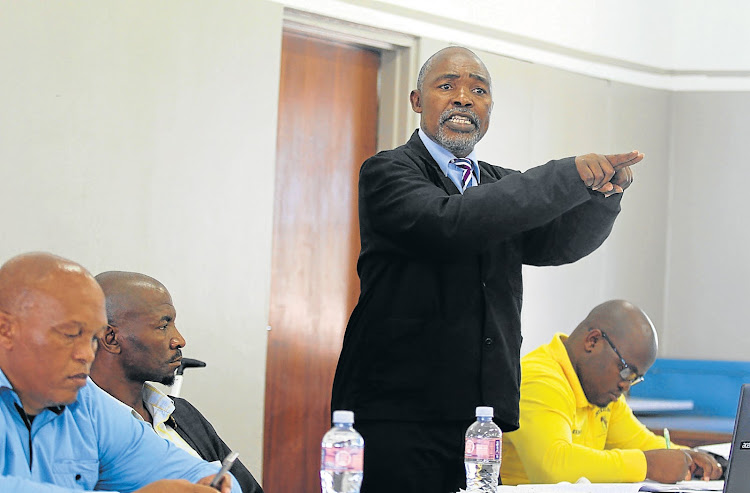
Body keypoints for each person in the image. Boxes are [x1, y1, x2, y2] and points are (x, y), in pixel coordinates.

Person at [330, 45, 645, 493]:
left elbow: (557, 243)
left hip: (480, 418)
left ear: (490, 108)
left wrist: (602, 198)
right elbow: (450, 223)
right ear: (417, 101)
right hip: (399, 412)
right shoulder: (388, 172)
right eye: (447, 86)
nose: (463, 98)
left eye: (478, 90)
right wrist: (564, 174)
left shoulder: (499, 184)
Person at [0, 252, 239, 493]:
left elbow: (189, 471)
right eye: (70, 334)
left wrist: (212, 485)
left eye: (93, 338)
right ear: (6, 330)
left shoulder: (87, 404)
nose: (86, 354)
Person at [501, 300, 723, 485]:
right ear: (593, 341)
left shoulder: (600, 391)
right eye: (626, 371)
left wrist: (689, 457)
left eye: (634, 379)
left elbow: (641, 442)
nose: (626, 385)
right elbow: (553, 466)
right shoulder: (539, 378)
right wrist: (649, 465)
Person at [89, 271, 263, 493]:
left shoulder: (182, 414)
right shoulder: (84, 424)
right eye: (163, 326)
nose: (179, 340)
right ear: (111, 338)